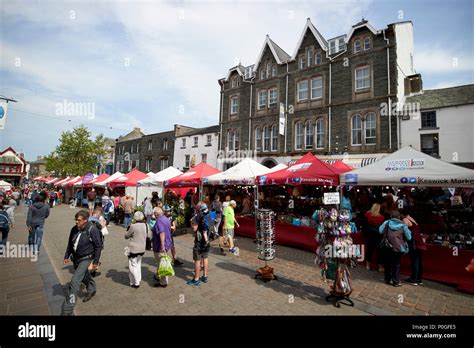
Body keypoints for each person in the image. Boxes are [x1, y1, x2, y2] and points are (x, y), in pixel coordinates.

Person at [61, 210, 102, 315]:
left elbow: (98, 246)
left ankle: (67, 309)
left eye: (79, 220)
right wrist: (67, 255)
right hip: (76, 258)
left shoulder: (92, 229)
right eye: (76, 220)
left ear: (85, 220)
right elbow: (70, 243)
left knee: (75, 281)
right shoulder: (74, 229)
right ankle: (92, 289)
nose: (76, 222)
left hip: (87, 258)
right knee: (83, 276)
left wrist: (95, 262)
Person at [378, 210, 412, 287]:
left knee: (387, 263)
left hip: (387, 246)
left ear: (391, 216)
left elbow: (380, 231)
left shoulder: (387, 222)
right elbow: (409, 237)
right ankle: (395, 281)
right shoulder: (403, 225)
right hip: (399, 247)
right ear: (399, 217)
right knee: (396, 264)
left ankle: (387, 279)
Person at [400, 209, 426, 285]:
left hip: (414, 242)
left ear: (402, 214)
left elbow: (404, 230)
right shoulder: (411, 218)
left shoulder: (405, 219)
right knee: (419, 261)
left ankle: (413, 279)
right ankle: (419, 279)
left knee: (414, 260)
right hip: (419, 241)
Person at [125, 211, 150, 288]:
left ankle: (136, 282)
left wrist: (128, 229)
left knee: (132, 264)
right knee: (138, 264)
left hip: (133, 248)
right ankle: (137, 280)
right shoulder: (146, 225)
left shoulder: (133, 226)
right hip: (142, 248)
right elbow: (149, 235)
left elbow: (126, 236)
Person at [187, 204, 211, 286]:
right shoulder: (209, 214)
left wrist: (192, 222)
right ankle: (205, 276)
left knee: (197, 259)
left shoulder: (199, 216)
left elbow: (194, 229)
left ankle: (196, 279)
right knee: (205, 257)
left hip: (199, 241)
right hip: (207, 240)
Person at [152, 207, 173, 288]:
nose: (154, 215)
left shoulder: (159, 221)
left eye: (154, 214)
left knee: (161, 263)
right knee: (160, 261)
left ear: (156, 214)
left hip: (160, 246)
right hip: (167, 243)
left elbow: (162, 233)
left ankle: (163, 282)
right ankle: (157, 276)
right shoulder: (165, 218)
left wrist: (162, 246)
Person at [364, 203, 385, 271]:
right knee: (380, 251)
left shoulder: (368, 215)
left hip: (370, 235)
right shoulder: (382, 217)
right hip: (378, 235)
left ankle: (368, 265)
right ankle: (380, 267)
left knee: (370, 250)